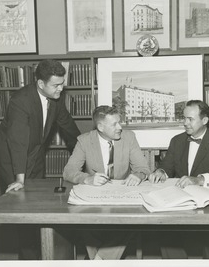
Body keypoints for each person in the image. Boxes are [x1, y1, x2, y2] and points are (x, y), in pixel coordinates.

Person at [0, 59, 80, 259]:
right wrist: (19, 179)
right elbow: (18, 143)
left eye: (62, 83)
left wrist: (87, 153)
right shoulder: (20, 101)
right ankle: (29, 258)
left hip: (36, 153)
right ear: (41, 84)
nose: (61, 88)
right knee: (22, 207)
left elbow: (68, 128)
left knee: (37, 206)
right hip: (12, 157)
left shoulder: (56, 98)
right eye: (56, 85)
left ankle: (44, 251)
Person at [63, 105, 151, 260]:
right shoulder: (84, 140)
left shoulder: (129, 137)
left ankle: (99, 259)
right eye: (114, 124)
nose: (120, 127)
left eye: (119, 122)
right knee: (85, 222)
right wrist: (87, 179)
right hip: (95, 198)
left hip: (122, 196)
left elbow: (143, 168)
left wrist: (138, 175)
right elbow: (68, 172)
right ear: (100, 127)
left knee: (131, 221)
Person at [148, 99, 209, 259]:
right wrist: (161, 171)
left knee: (205, 250)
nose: (185, 123)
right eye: (184, 118)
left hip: (208, 209)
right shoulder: (177, 141)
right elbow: (167, 166)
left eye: (190, 119)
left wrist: (200, 179)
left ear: (204, 120)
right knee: (167, 242)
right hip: (180, 204)